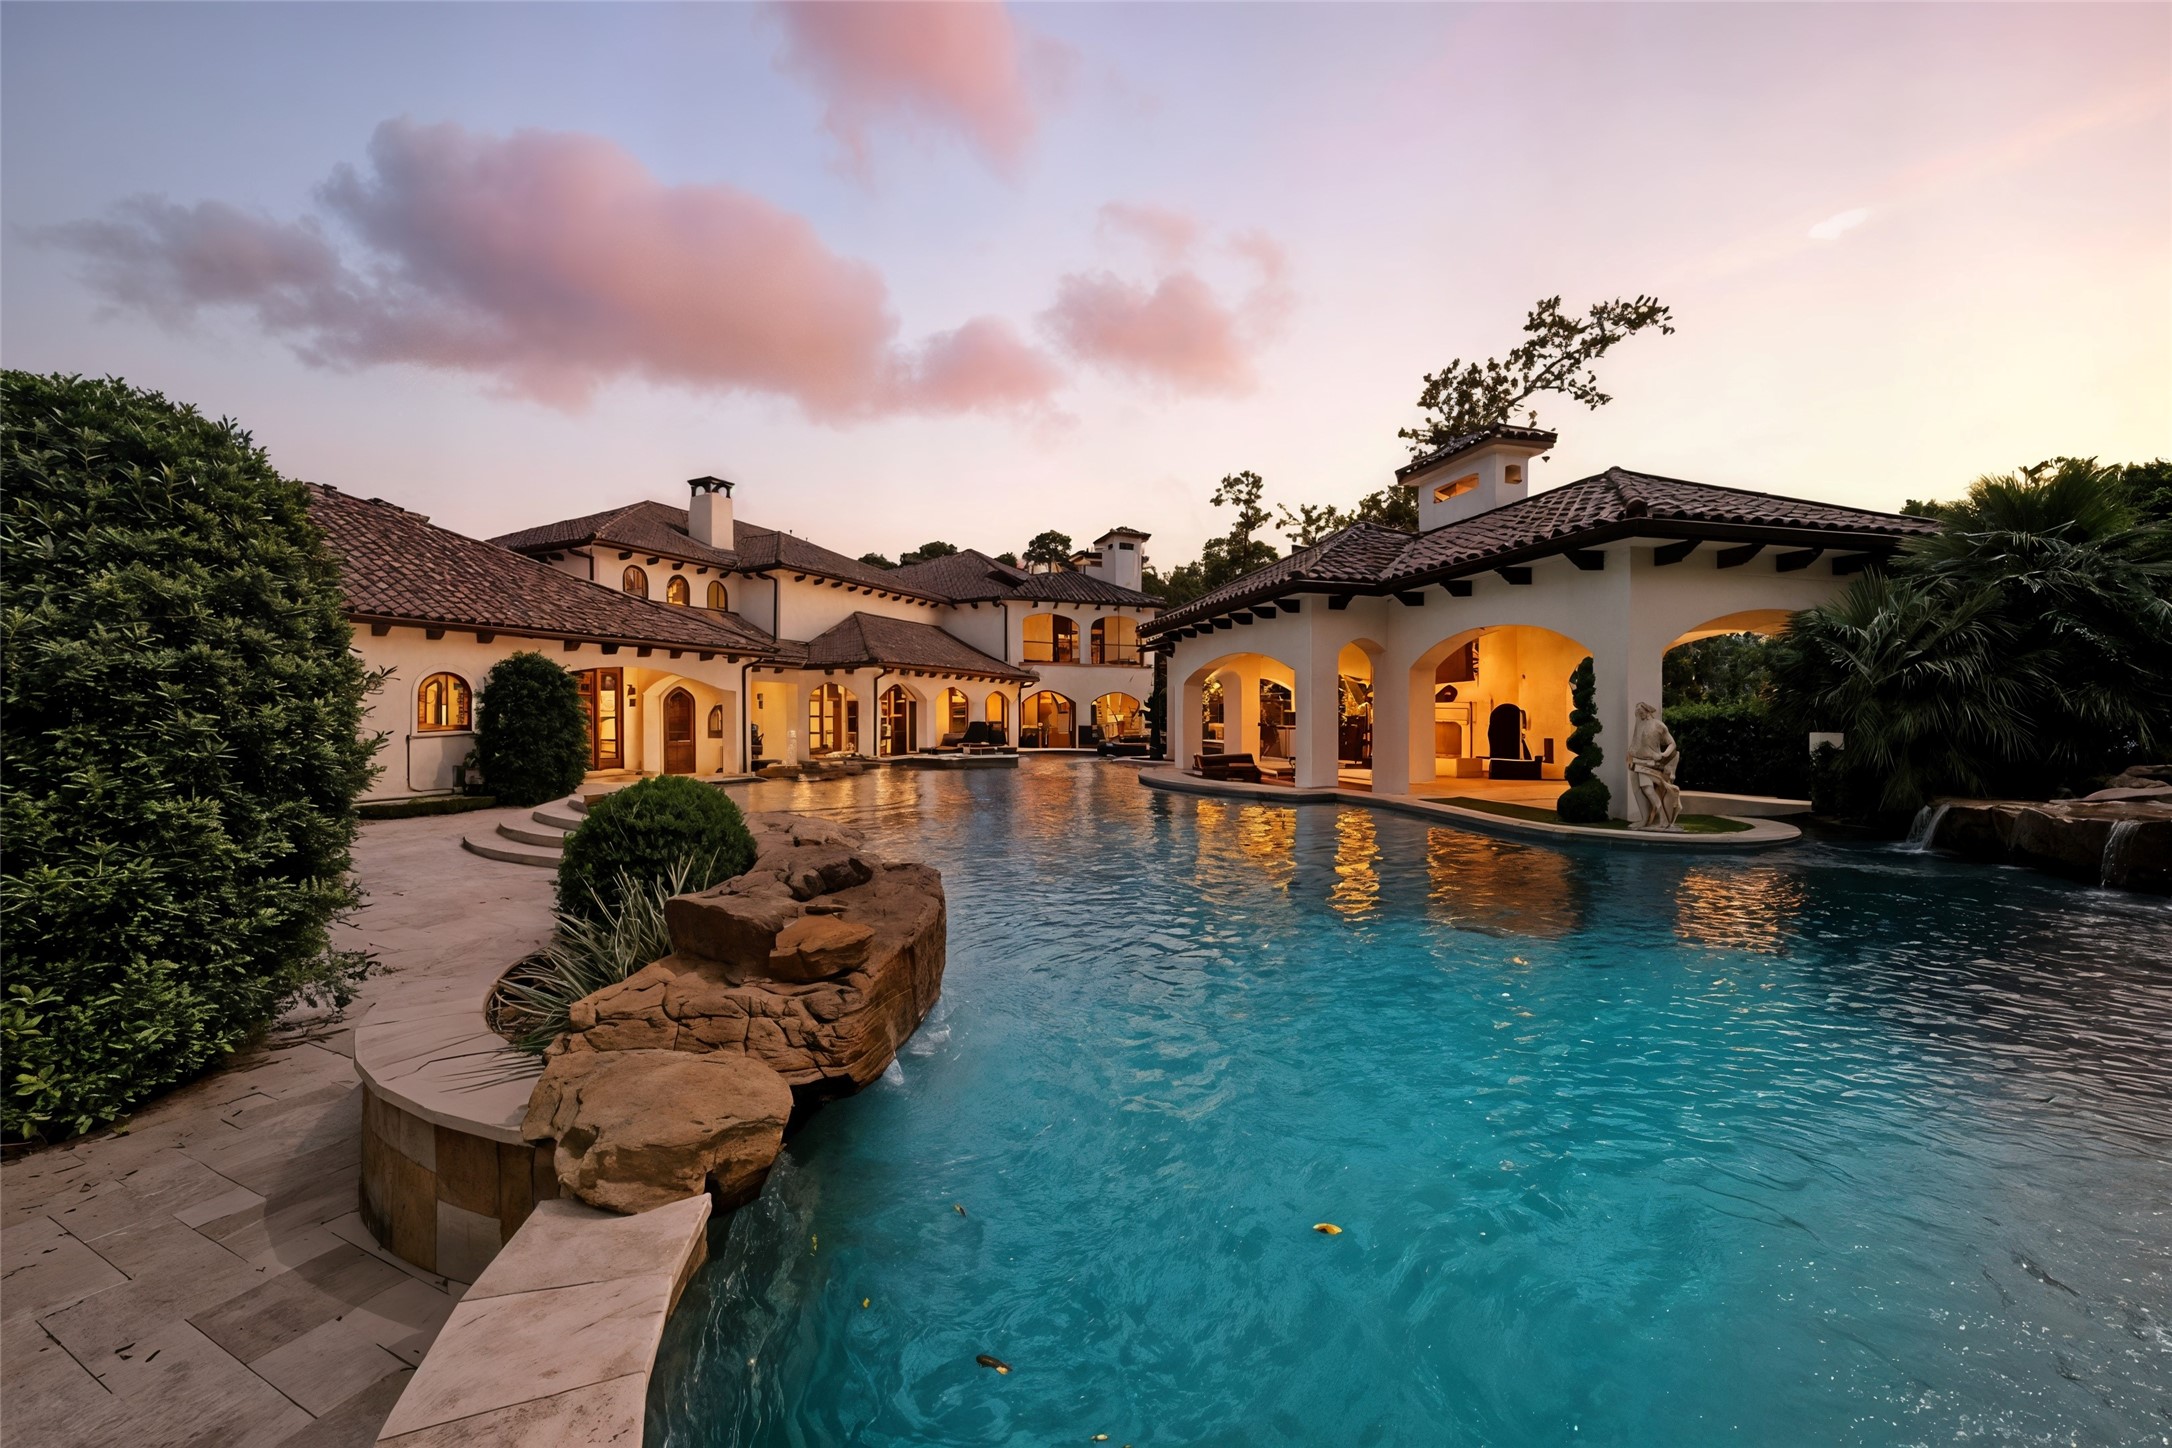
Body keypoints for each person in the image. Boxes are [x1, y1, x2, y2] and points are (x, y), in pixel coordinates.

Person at [1628, 701, 1683, 831]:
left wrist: (1664, 754)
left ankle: (1662, 817)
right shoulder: (1639, 725)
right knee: (1640, 789)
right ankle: (1647, 819)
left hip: (1650, 764)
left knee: (1648, 788)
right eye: (1638, 712)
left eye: (1641, 712)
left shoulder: (1658, 725)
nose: (1639, 714)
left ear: (1647, 711)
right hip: (1638, 762)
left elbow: (1672, 744)